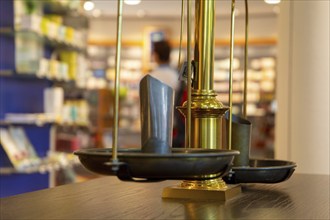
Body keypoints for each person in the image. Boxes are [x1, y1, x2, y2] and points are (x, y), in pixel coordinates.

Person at [148, 40, 185, 147]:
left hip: (154, 129)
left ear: (155, 55)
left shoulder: (149, 77)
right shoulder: (176, 76)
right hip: (175, 127)